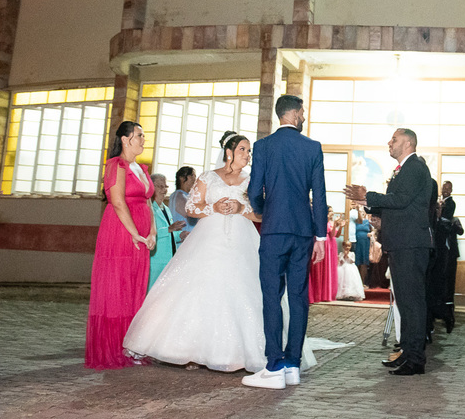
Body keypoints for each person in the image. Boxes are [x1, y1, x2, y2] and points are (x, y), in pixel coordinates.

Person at [123, 133, 320, 374]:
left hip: (242, 240)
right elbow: (191, 208)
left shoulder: (252, 181)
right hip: (208, 239)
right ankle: (190, 350)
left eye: (249, 151)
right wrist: (213, 207)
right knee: (200, 288)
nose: (247, 155)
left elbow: (262, 215)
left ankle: (243, 352)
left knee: (247, 288)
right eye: (243, 150)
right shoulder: (208, 177)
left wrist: (241, 208)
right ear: (229, 152)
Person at [243, 94, 329, 390]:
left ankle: (274, 365)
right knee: (298, 297)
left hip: (274, 230)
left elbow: (254, 191)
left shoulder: (263, 146)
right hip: (303, 232)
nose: (304, 116)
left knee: (271, 295)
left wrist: (266, 211)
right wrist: (320, 236)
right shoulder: (312, 147)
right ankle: (293, 364)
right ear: (293, 114)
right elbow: (320, 195)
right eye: (302, 112)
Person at [345, 127, 435, 376]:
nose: (389, 142)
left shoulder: (414, 167)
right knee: (404, 302)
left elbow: (401, 199)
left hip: (411, 244)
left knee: (412, 302)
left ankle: (415, 359)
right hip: (402, 243)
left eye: (394, 139)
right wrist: (368, 205)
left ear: (408, 144)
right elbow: (400, 205)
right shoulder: (404, 169)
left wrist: (369, 196)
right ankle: (406, 352)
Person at [85, 121, 156, 369]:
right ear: (125, 140)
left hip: (141, 234)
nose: (143, 140)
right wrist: (134, 233)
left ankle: (132, 345)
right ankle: (113, 348)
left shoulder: (142, 168)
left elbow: (148, 202)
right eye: (139, 135)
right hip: (121, 232)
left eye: (143, 136)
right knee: (118, 287)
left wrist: (152, 232)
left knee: (135, 287)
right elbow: (117, 202)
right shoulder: (116, 165)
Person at [432, 180, 462, 332]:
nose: (445, 190)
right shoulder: (438, 205)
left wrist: (441, 217)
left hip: (447, 253)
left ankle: (447, 314)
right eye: (444, 188)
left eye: (448, 188)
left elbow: (445, 222)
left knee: (448, 283)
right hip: (439, 251)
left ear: (451, 190)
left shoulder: (450, 205)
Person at [149, 173, 184, 286]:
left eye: (166, 186)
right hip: (155, 261)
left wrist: (181, 235)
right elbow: (147, 234)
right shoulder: (149, 208)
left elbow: (170, 234)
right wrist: (168, 229)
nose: (164, 190)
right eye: (160, 186)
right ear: (151, 187)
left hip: (169, 259)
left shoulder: (166, 209)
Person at [309, 213, 341, 303]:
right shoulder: (317, 221)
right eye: (330, 212)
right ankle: (316, 294)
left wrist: (337, 225)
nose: (331, 214)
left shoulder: (330, 223)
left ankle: (325, 294)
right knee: (317, 269)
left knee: (326, 269)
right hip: (319, 243)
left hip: (328, 245)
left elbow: (333, 235)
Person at [170, 166, 198, 245]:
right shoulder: (179, 195)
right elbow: (189, 213)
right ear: (182, 178)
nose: (194, 179)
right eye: (191, 175)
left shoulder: (187, 195)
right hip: (183, 238)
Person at [353, 207, 372, 284]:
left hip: (366, 242)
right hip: (357, 242)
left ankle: (363, 281)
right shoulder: (356, 221)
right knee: (357, 261)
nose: (362, 213)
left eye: (363, 212)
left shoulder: (368, 222)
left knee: (364, 262)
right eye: (361, 212)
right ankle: (356, 282)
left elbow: (374, 230)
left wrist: (371, 234)